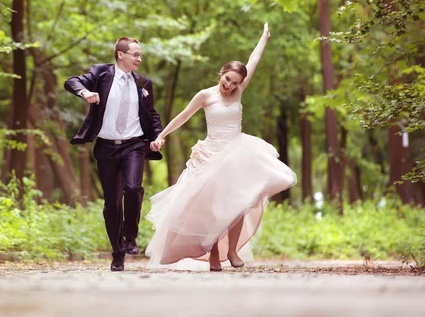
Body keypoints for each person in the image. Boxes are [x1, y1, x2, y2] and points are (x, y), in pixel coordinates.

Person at [146, 23, 296, 271]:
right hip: (211, 154)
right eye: (228, 79)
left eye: (235, 83)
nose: (230, 85)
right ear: (222, 73)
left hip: (237, 152)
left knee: (238, 203)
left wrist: (264, 38)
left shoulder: (238, 92)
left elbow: (254, 59)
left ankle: (233, 250)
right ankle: (214, 253)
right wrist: (161, 135)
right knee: (211, 208)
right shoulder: (205, 95)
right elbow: (183, 116)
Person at [64, 37, 163, 272]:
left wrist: (158, 136)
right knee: (111, 204)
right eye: (135, 54)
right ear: (120, 54)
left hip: (134, 145)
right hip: (107, 147)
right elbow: (72, 81)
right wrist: (85, 93)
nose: (139, 58)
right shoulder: (101, 75)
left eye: (140, 55)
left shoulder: (143, 83)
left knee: (132, 187)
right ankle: (117, 253)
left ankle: (130, 236)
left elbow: (152, 115)